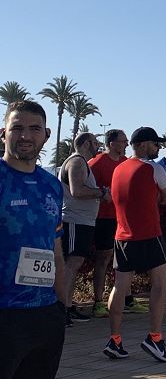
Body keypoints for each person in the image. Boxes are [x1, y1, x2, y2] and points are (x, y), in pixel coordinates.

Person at [0, 101, 66, 379]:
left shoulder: (51, 186)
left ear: (46, 135)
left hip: (42, 313)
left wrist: (62, 305)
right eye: (17, 128)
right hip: (3, 311)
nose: (25, 136)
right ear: (4, 132)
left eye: (33, 129)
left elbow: (54, 247)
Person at [105, 126, 166, 362]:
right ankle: (154, 338)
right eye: (156, 144)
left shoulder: (118, 169)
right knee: (160, 284)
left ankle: (114, 340)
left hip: (122, 236)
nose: (158, 148)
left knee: (120, 286)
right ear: (144, 145)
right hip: (149, 234)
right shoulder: (153, 168)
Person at [58, 131, 107, 325]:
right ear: (87, 144)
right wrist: (102, 192)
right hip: (74, 221)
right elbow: (76, 191)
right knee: (71, 264)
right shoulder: (77, 162)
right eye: (96, 143)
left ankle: (67, 307)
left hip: (82, 222)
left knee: (74, 264)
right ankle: (62, 309)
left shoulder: (81, 163)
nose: (98, 146)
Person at [89, 128, 136, 317]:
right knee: (103, 258)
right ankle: (98, 302)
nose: (126, 144)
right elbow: (84, 187)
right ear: (111, 143)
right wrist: (101, 195)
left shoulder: (126, 163)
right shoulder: (97, 163)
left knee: (126, 259)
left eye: (126, 141)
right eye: (123, 141)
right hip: (102, 218)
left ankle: (127, 299)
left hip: (122, 219)